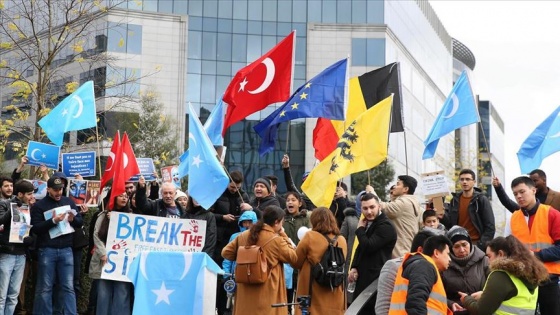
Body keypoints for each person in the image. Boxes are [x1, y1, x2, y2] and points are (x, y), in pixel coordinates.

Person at [222, 205, 297, 315]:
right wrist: (283, 234)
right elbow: (294, 258)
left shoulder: (244, 235)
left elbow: (226, 252)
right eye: (282, 222)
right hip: (268, 293)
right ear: (276, 222)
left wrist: (246, 257)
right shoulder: (277, 240)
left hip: (245, 292)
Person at [506, 175, 560, 314]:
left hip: (549, 278)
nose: (518, 196)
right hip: (522, 279)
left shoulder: (552, 214)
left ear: (533, 190)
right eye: (515, 194)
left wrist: (535, 256)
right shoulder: (513, 218)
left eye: (522, 192)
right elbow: (508, 249)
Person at [30, 176, 83, 315]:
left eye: (60, 189)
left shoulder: (68, 201)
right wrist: (53, 221)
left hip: (66, 249)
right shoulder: (39, 206)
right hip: (47, 249)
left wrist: (73, 219)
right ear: (48, 189)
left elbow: (79, 222)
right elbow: (35, 228)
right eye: (55, 190)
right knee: (45, 287)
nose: (58, 192)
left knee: (68, 286)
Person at [460, 235, 549, 315]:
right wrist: (485, 295)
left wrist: (467, 299)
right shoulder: (532, 275)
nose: (487, 261)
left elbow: (480, 311)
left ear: (500, 254)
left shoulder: (501, 275)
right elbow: (513, 298)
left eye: (489, 256)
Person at [348, 193, 397, 314]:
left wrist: (359, 230)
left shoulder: (385, 226)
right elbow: (360, 248)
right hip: (364, 278)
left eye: (372, 207)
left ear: (379, 206)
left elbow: (369, 246)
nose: (369, 211)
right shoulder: (369, 223)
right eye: (365, 208)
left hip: (376, 280)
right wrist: (354, 267)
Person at [293, 207, 347, 315]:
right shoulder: (341, 240)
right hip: (335, 294)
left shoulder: (310, 237)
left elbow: (295, 262)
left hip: (313, 293)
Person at [211, 170, 249, 315]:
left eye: (237, 188)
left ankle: (228, 309)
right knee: (220, 275)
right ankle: (218, 307)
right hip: (220, 241)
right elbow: (209, 214)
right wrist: (222, 217)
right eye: (232, 187)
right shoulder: (218, 194)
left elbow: (250, 218)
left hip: (237, 241)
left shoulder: (244, 196)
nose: (235, 190)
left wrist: (248, 209)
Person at [89, 192, 133, 315]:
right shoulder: (102, 215)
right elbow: (96, 236)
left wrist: (118, 220)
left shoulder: (131, 217)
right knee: (103, 294)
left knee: (122, 293)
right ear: (114, 197)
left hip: (122, 263)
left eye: (126, 196)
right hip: (105, 262)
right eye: (121, 195)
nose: (124, 198)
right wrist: (103, 253)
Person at [376, 229, 437, 315]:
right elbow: (383, 307)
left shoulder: (433, 268)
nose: (437, 256)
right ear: (420, 250)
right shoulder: (394, 266)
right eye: (434, 253)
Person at [388, 235, 453, 315]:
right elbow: (415, 301)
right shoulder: (424, 266)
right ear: (436, 253)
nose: (450, 259)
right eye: (447, 254)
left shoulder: (421, 265)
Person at [0, 180, 35, 314]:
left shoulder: (30, 207)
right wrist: (14, 208)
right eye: (29, 194)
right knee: (2, 295)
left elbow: (31, 229)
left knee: (13, 295)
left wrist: (30, 239)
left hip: (21, 255)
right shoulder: (4, 203)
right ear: (20, 194)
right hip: (7, 254)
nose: (31, 197)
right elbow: (1, 220)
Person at [440, 169, 495, 251]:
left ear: (474, 182)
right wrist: (442, 216)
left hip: (476, 245)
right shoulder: (455, 200)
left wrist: (480, 246)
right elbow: (451, 225)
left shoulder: (481, 200)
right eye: (462, 179)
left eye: (468, 179)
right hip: (458, 244)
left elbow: (490, 227)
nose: (464, 182)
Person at [368, 175, 421, 258]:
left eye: (398, 184)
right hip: (407, 248)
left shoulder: (404, 202)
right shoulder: (412, 201)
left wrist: (371, 193)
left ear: (405, 189)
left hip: (401, 252)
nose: (395, 187)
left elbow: (381, 207)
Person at [441, 226, 489, 311]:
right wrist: (450, 303)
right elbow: (438, 293)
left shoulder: (484, 261)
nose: (462, 250)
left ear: (470, 243)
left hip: (480, 309)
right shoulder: (444, 265)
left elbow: (494, 288)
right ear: (450, 249)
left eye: (464, 244)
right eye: (456, 246)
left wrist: (484, 294)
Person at [282, 191, 310, 312]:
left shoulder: (306, 219)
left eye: (293, 200)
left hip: (301, 262)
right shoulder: (282, 219)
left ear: (299, 203)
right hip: (286, 263)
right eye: (288, 200)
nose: (290, 202)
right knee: (286, 293)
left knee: (301, 295)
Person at [493, 169, 560, 212]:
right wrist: (498, 187)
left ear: (544, 180)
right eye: (531, 181)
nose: (533, 184)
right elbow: (508, 203)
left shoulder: (558, 197)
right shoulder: (527, 202)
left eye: (535, 181)